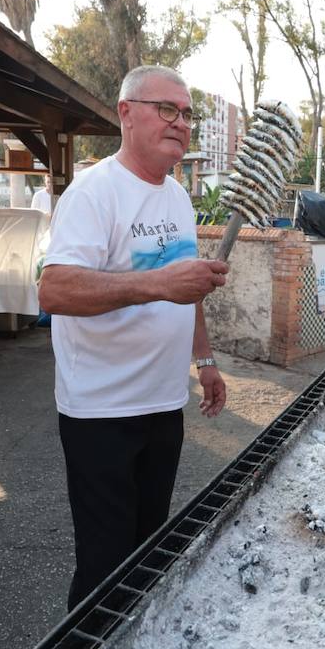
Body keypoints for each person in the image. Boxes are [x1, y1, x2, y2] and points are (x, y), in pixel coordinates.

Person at [38, 65, 229, 610]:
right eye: (166, 109)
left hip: (163, 405)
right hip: (101, 411)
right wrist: (158, 282)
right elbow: (54, 290)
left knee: (148, 549)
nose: (180, 122)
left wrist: (206, 360)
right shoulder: (94, 193)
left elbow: (185, 291)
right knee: (104, 564)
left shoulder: (178, 200)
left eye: (187, 113)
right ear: (126, 113)